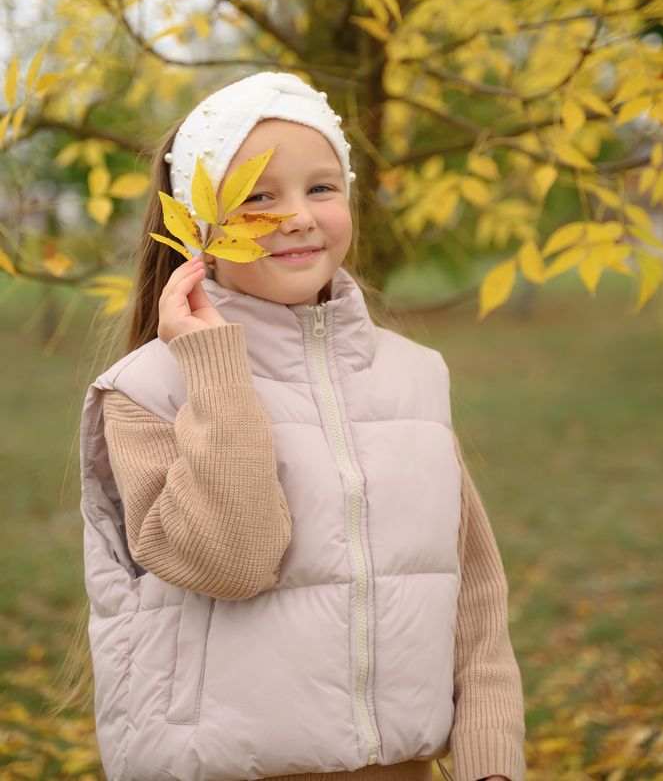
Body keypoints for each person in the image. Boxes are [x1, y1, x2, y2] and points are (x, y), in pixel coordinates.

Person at [78, 71, 526, 781]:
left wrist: (490, 764)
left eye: (321, 187)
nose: (296, 216)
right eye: (256, 197)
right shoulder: (148, 390)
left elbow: (470, 596)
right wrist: (215, 371)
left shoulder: (413, 376)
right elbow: (231, 562)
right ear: (194, 227)